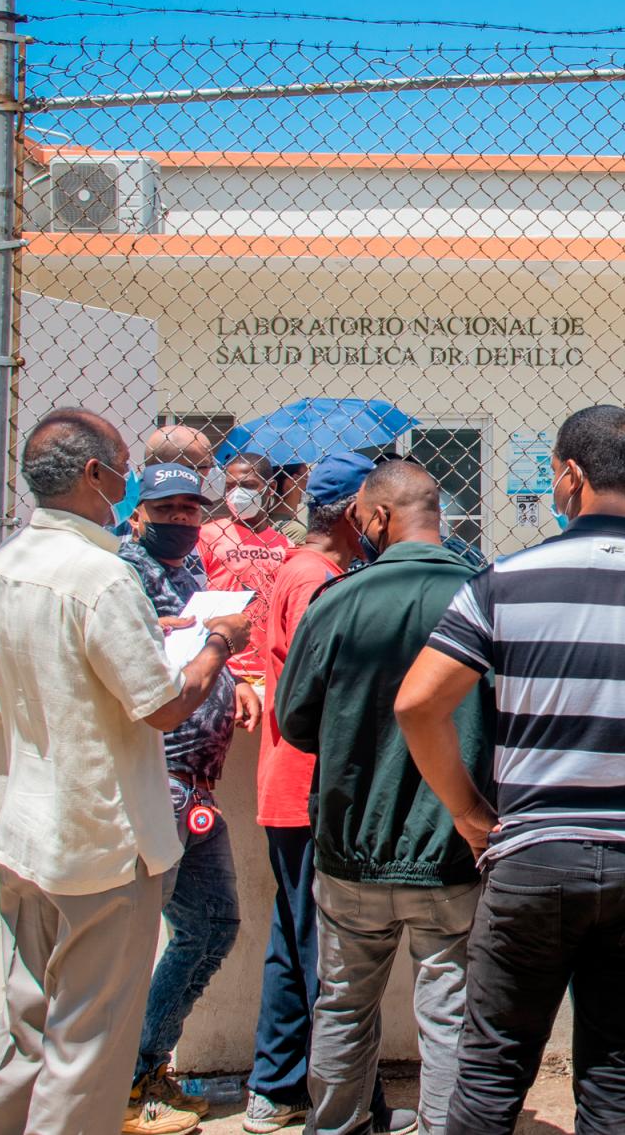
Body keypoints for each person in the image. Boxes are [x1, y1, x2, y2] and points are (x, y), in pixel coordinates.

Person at [396, 405, 625, 1135]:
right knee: (616, 1082)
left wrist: (469, 813)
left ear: (570, 474)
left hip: (531, 860)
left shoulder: (504, 581)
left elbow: (416, 705)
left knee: (491, 1074)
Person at [0, 409, 249, 1135]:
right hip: (102, 844)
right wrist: (217, 640)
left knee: (26, 1025)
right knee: (88, 1045)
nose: (129, 473)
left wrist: (168, 631)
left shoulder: (10, 562)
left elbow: (77, 661)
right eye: (124, 460)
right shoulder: (102, 575)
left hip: (28, 830)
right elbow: (162, 706)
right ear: (97, 474)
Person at [276, 462, 488, 1135]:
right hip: (457, 847)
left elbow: (295, 721)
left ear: (375, 518)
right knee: (451, 1010)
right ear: (439, 515)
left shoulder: (337, 600)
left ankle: (335, 1127)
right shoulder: (485, 597)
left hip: (351, 850)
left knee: (341, 1005)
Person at [243, 452, 407, 1133]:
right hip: (314, 785)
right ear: (353, 514)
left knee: (295, 936)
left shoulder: (299, 569)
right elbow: (337, 688)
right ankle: (352, 1105)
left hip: (289, 781)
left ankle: (275, 1087)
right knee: (329, 953)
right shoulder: (319, 581)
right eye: (374, 510)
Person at [118, 463, 260, 1128]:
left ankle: (145, 1066)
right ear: (138, 512)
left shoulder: (193, 570)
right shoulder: (124, 571)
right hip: (156, 777)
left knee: (212, 923)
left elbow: (209, 652)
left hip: (195, 781)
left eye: (190, 509)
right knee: (153, 931)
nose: (180, 519)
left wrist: (240, 679)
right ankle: (128, 1080)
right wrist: (188, 633)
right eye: (166, 507)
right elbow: (142, 659)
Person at [198, 452, 290, 698]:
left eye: (248, 486)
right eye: (230, 487)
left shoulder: (285, 545)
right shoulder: (206, 536)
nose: (237, 494)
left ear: (269, 488)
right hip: (222, 668)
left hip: (269, 669)